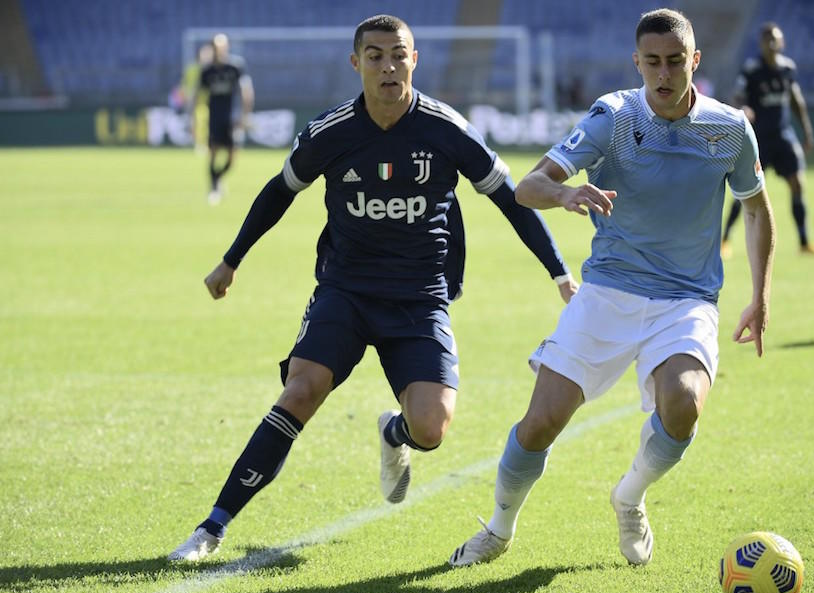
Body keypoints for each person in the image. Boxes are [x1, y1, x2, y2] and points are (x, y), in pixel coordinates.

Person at [168, 14, 577, 563]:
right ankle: (212, 528)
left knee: (430, 428)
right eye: (377, 55)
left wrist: (558, 272)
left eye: (399, 54)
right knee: (301, 390)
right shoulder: (331, 132)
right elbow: (278, 190)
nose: (389, 65)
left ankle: (395, 436)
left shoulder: (447, 129)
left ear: (415, 60)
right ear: (356, 62)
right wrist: (231, 260)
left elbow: (511, 199)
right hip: (346, 290)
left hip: (418, 298)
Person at [448, 8, 776, 568]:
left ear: (695, 61)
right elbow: (529, 187)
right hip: (608, 291)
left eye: (676, 62)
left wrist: (760, 295)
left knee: (684, 404)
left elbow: (755, 209)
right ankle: (499, 530)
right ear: (638, 62)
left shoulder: (729, 129)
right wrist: (566, 195)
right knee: (540, 423)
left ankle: (629, 496)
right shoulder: (614, 117)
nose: (665, 74)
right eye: (653, 62)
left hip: (686, 298)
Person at [721, 22, 814, 258]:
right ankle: (725, 239)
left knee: (798, 184)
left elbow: (796, 100)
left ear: (782, 43)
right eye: (766, 39)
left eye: (774, 39)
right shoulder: (752, 69)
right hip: (758, 140)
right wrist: (742, 107)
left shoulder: (788, 68)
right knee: (745, 192)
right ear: (760, 44)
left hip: (783, 136)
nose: (770, 43)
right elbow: (736, 96)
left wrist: (807, 132)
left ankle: (804, 243)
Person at [199, 33, 255, 205]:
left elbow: (246, 91)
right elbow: (198, 95)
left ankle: (218, 177)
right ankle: (214, 186)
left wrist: (245, 115)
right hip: (215, 116)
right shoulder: (207, 71)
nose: (219, 51)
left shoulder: (235, 67)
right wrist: (193, 119)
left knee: (232, 156)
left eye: (221, 47)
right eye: (216, 47)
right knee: (214, 152)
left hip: (232, 117)